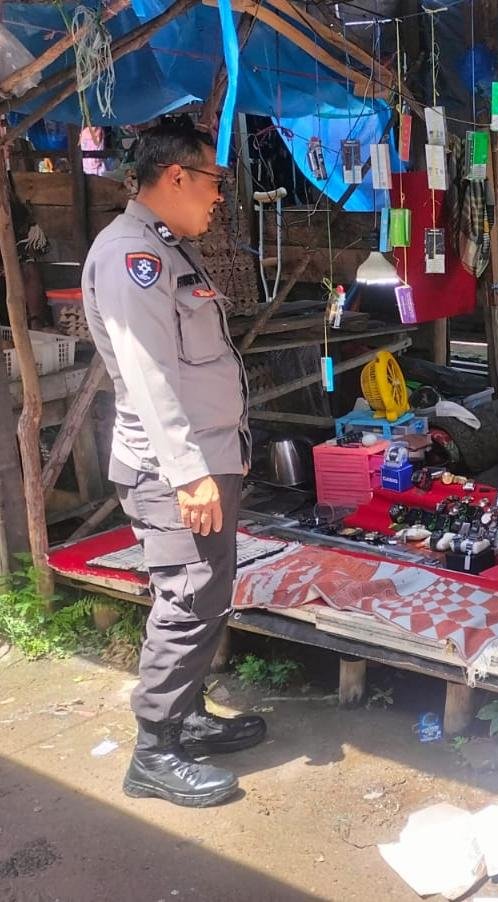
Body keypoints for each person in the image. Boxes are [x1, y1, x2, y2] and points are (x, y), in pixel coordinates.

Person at [82, 120, 266, 808]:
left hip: (205, 460)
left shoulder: (166, 249)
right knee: (188, 601)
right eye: (214, 180)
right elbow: (148, 375)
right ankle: (154, 752)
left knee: (207, 593)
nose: (219, 196)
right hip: (173, 471)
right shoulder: (132, 256)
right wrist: (188, 473)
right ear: (177, 176)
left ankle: (185, 718)